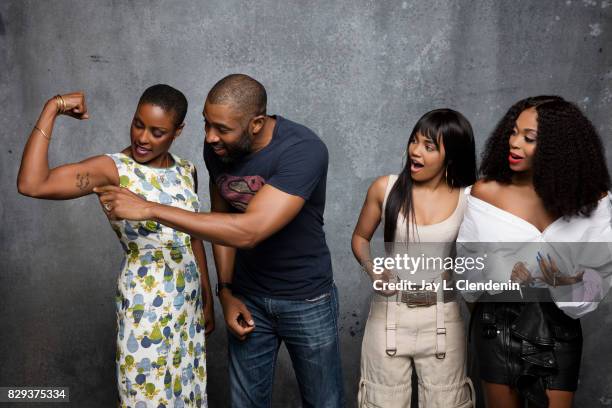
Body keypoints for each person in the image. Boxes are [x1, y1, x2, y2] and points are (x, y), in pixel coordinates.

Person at [95, 74, 344, 407]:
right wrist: (226, 291)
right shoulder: (220, 148)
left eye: (222, 129)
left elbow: (248, 230)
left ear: (256, 123)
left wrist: (150, 208)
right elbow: (219, 216)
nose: (210, 137)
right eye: (206, 124)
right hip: (248, 298)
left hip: (305, 299)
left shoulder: (303, 150)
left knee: (324, 402)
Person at [17, 85, 215, 408]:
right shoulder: (113, 170)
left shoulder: (186, 170)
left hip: (187, 304)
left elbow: (192, 233)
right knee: (145, 397)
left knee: (187, 396)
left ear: (177, 132)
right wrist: (52, 108)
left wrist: (206, 293)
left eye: (157, 131)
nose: (143, 138)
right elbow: (31, 183)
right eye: (139, 124)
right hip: (146, 304)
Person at [456, 96, 612, 408]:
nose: (514, 144)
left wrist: (566, 282)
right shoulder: (484, 193)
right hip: (496, 324)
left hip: (560, 328)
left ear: (559, 149)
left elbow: (599, 282)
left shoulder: (594, 202)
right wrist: (501, 275)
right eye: (513, 133)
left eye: (529, 138)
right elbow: (466, 272)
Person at [352, 109, 477, 407]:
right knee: (380, 402)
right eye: (415, 141)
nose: (415, 151)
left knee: (449, 402)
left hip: (443, 318)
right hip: (389, 316)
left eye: (429, 146)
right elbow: (359, 238)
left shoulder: (470, 198)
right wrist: (373, 270)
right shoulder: (386, 188)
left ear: (452, 155)